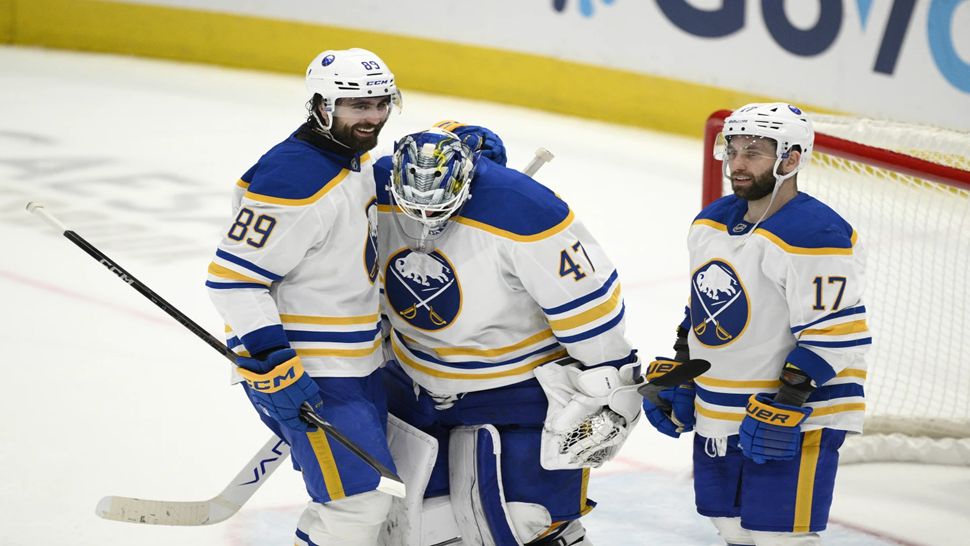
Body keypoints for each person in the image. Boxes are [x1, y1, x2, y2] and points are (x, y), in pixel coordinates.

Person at [373, 126, 643, 546]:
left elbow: (590, 305)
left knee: (527, 525)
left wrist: (610, 379)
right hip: (413, 388)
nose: (425, 220)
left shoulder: (522, 208)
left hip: (516, 393)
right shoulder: (374, 189)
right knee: (419, 528)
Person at [640, 103, 871, 545]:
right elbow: (702, 308)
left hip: (796, 413)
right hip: (724, 408)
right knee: (732, 528)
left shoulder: (814, 233)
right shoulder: (711, 221)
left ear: (792, 159)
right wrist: (683, 369)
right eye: (733, 150)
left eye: (755, 152)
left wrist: (788, 400)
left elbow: (834, 333)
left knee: (779, 537)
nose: (738, 164)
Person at [205, 48, 403, 546]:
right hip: (311, 369)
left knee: (351, 502)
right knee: (358, 503)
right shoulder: (294, 178)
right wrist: (275, 364)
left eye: (381, 104)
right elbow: (234, 280)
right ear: (320, 104)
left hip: (356, 362)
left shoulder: (350, 160)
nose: (373, 117)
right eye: (358, 106)